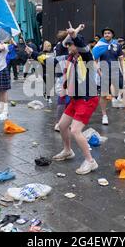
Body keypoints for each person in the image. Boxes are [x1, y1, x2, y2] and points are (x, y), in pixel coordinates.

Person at [53, 24, 100, 175]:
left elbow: (82, 46)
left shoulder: (86, 57)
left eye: (70, 46)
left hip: (87, 98)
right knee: (62, 125)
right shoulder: (70, 57)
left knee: (75, 130)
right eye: (67, 46)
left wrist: (75, 35)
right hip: (75, 98)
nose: (68, 48)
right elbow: (62, 45)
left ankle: (90, 161)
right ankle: (68, 150)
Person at [94, 28, 125, 125]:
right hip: (104, 71)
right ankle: (104, 116)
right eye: (105, 33)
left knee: (123, 92)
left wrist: (124, 73)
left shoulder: (117, 45)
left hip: (116, 71)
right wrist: (99, 73)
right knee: (103, 95)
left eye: (108, 33)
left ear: (112, 34)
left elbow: (121, 60)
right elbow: (94, 61)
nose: (106, 34)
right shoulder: (99, 45)